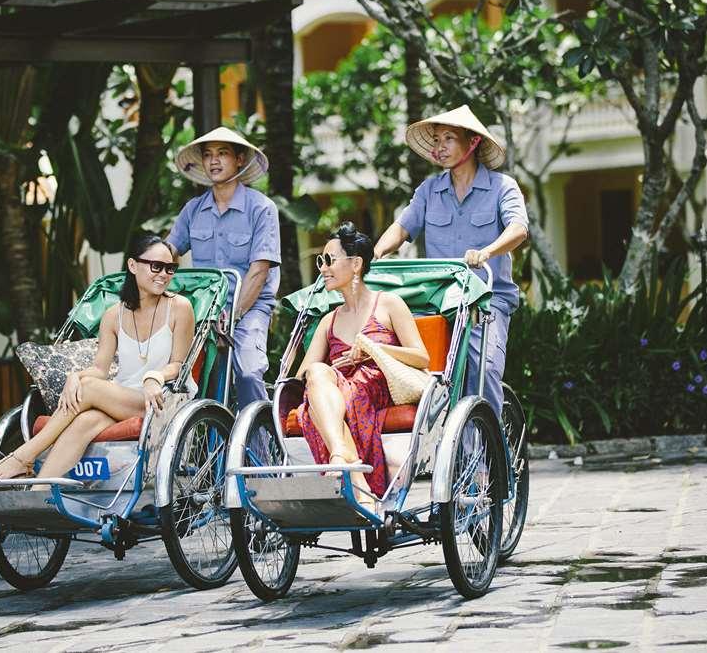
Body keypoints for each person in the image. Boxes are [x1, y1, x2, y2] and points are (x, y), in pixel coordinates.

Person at [0, 235, 197, 480]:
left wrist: (154, 377)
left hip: (163, 400)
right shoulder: (113, 315)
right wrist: (75, 376)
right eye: (156, 266)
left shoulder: (180, 307)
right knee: (84, 422)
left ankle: (23, 456)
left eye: (170, 268)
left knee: (90, 388)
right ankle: (40, 493)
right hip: (123, 399)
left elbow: (179, 365)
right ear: (133, 266)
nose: (164, 274)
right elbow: (100, 370)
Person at [373, 105, 528, 417]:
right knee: (426, 372)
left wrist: (488, 251)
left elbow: (518, 229)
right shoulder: (430, 190)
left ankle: (488, 460)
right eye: (436, 140)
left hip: (487, 300)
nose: (438, 146)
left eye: (448, 138)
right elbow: (403, 227)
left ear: (472, 143)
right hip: (439, 299)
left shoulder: (502, 186)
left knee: (482, 372)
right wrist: (375, 254)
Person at [294, 223, 429, 504]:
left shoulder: (389, 304)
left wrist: (373, 349)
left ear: (356, 264)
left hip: (378, 387)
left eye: (330, 260)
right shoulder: (327, 320)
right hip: (339, 391)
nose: (323, 268)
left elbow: (421, 357)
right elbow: (303, 374)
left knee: (326, 400)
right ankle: (346, 463)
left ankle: (345, 466)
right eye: (321, 261)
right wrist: (331, 372)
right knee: (317, 374)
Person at [166, 126, 281, 409]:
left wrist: (233, 316)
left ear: (240, 159)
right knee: (182, 376)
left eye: (223, 153)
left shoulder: (262, 208)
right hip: (202, 311)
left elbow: (258, 273)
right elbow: (168, 252)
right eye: (207, 155)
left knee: (248, 371)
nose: (213, 161)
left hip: (250, 308)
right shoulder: (192, 210)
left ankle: (263, 445)